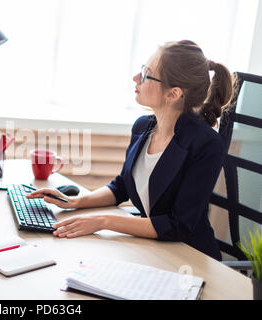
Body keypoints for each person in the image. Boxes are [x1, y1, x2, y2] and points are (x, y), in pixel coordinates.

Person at [26, 40, 233, 260]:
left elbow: (178, 224)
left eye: (146, 74)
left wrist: (104, 221)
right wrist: (76, 202)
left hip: (188, 257)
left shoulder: (206, 143)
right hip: (152, 250)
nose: (136, 78)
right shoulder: (143, 127)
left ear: (173, 94)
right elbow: (122, 186)